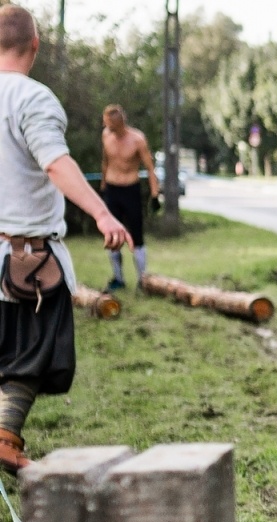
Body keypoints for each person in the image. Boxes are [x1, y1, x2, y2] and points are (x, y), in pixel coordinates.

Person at [0, 5, 129, 473]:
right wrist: (101, 212)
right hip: (25, 263)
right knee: (34, 356)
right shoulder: (32, 98)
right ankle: (5, 438)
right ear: (35, 45)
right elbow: (55, 162)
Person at [99, 104, 158, 291]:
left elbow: (149, 167)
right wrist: (103, 187)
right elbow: (106, 162)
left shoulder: (137, 139)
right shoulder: (106, 136)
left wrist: (155, 194)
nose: (106, 127)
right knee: (112, 236)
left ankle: (143, 280)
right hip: (112, 189)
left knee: (137, 236)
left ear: (119, 122)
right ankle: (118, 278)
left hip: (130, 190)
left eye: (109, 124)